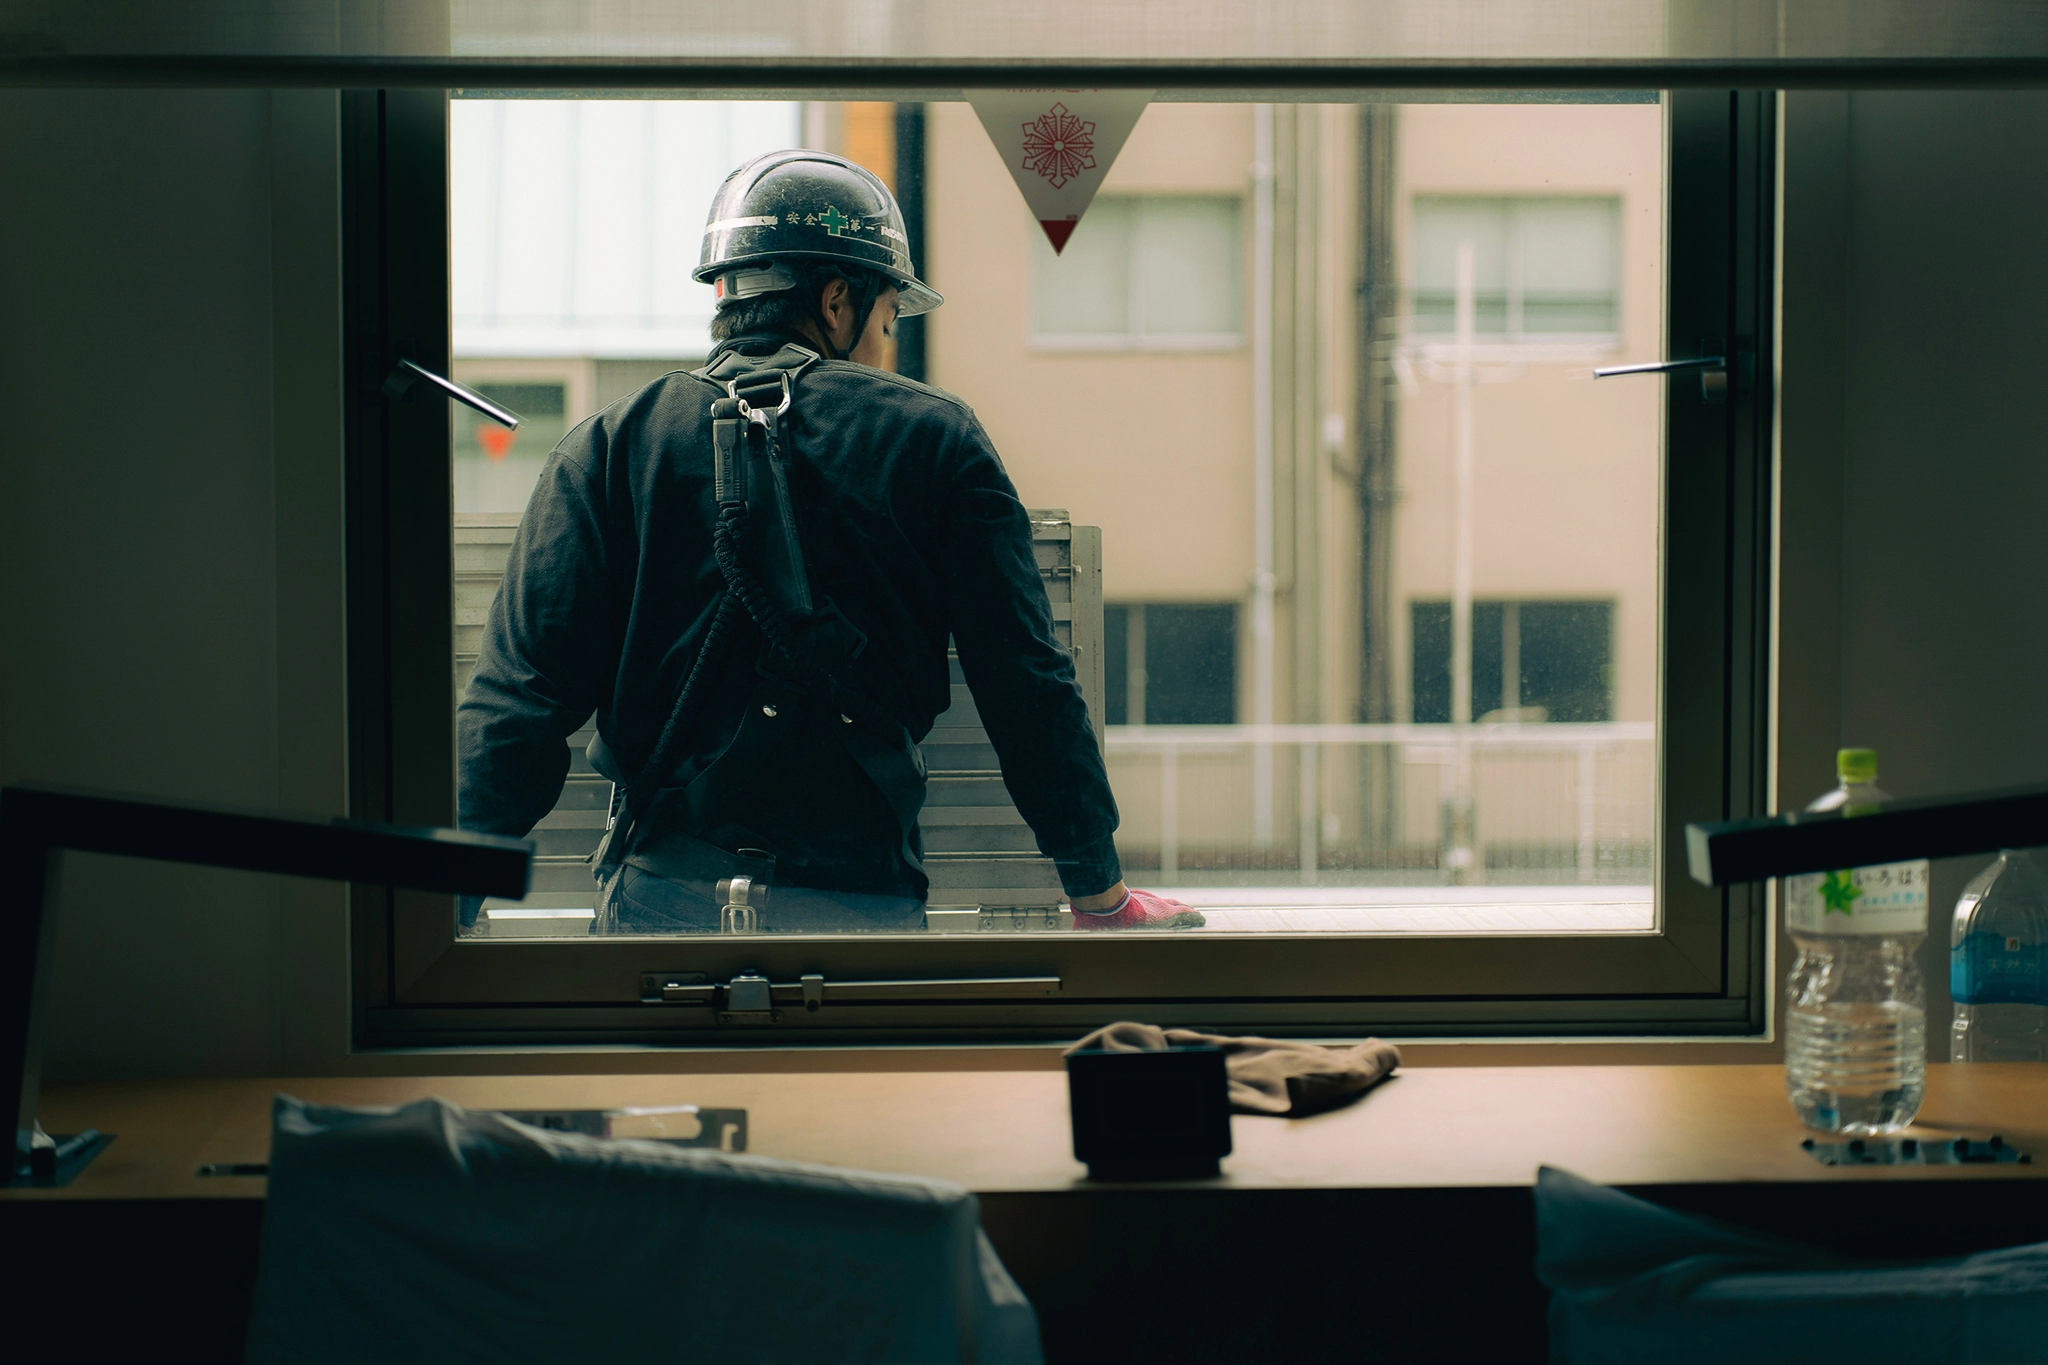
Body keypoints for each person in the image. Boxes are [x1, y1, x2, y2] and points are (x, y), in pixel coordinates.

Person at [457, 149, 1202, 935]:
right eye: (888, 321)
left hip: (658, 905)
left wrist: (447, 908)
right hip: (861, 908)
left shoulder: (606, 448)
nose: (887, 347)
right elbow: (1027, 681)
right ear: (839, 301)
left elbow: (519, 704)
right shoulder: (933, 438)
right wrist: (1099, 894)